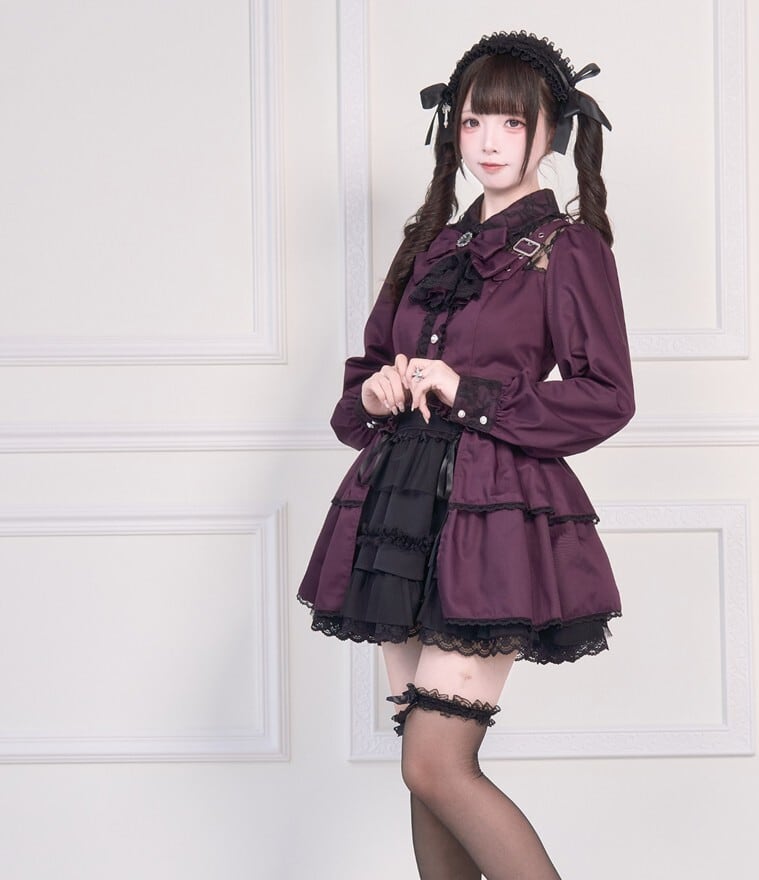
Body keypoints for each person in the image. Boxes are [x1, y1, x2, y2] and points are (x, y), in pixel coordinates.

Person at [298, 31, 635, 880]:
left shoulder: (567, 248)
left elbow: (606, 395)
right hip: (399, 506)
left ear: (550, 133)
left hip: (491, 513)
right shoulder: (428, 247)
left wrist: (468, 391)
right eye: (475, 121)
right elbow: (360, 384)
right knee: (425, 776)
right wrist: (377, 392)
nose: (489, 142)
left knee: (435, 764)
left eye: (512, 124)